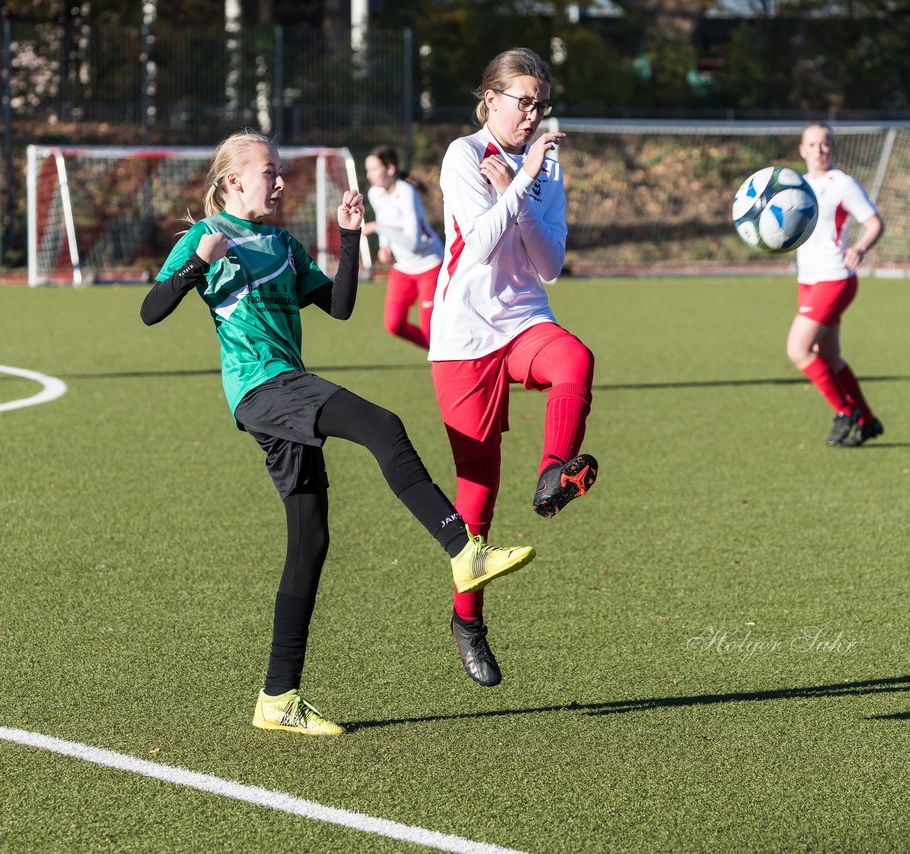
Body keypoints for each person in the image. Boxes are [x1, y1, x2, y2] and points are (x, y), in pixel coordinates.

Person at [140, 131, 536, 737]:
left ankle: (278, 699)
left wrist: (350, 238)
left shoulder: (280, 242)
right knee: (382, 424)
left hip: (284, 390)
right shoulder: (206, 237)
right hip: (262, 389)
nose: (279, 182)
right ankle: (463, 551)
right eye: (268, 171)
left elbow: (341, 305)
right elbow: (152, 309)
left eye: (279, 171)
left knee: (311, 540)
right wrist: (199, 261)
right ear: (233, 181)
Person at [429, 48, 597, 688]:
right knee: (476, 495)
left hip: (523, 320)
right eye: (522, 100)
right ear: (490, 99)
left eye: (538, 103)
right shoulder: (462, 155)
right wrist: (519, 180)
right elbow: (479, 246)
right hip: (463, 336)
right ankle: (467, 622)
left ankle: (555, 470)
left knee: (574, 358)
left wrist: (526, 187)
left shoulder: (544, 166)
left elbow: (548, 263)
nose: (532, 113)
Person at [790, 122, 884, 447]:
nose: (819, 150)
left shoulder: (842, 184)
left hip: (835, 277)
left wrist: (859, 248)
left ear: (833, 148)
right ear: (802, 150)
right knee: (829, 358)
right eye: (812, 144)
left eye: (825, 144)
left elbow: (874, 223)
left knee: (798, 349)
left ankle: (846, 411)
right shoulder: (796, 186)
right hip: (808, 280)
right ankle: (869, 421)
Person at [362, 145, 444, 349]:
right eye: (367, 170)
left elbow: (413, 243)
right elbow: (384, 218)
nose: (369, 175)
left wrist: (379, 228)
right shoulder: (375, 193)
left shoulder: (407, 192)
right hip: (402, 268)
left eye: (374, 169)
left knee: (430, 329)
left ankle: (440, 355)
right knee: (394, 324)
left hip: (429, 265)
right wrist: (384, 246)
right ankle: (437, 351)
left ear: (390, 168)